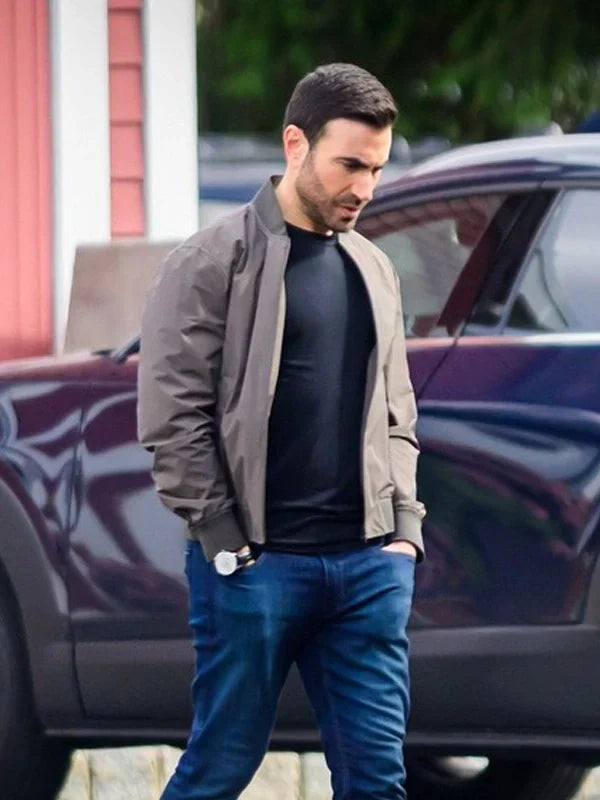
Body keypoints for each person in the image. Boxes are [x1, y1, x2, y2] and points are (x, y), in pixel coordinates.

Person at [138, 62, 425, 800]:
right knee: (219, 770)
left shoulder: (374, 268)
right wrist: (223, 538)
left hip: (366, 569)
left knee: (377, 782)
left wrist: (403, 533)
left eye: (376, 169)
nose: (365, 188)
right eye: (350, 165)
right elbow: (172, 417)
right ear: (296, 144)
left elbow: (397, 413)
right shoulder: (209, 262)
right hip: (255, 568)